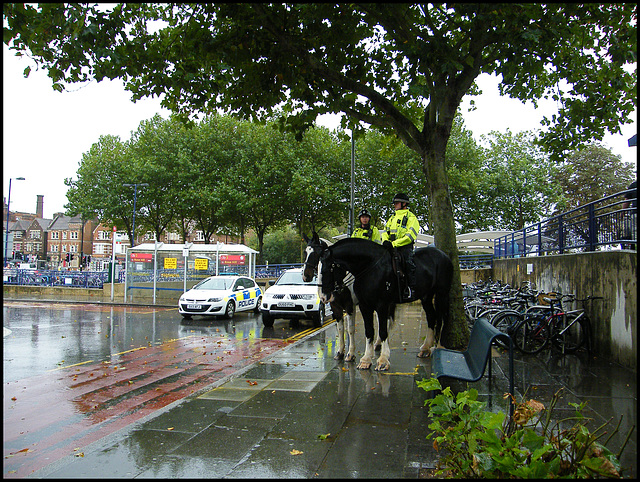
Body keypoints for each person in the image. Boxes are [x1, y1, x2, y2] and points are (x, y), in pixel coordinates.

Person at [381, 192, 420, 301]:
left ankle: (411, 288)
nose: (394, 205)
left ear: (404, 204)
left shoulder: (411, 218)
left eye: (397, 203)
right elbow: (385, 231)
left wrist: (393, 244)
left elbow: (409, 237)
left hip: (404, 247)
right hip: (390, 246)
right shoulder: (392, 217)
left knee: (408, 263)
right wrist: (385, 241)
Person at [622, 180, 637, 250]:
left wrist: (622, 213)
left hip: (635, 212)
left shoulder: (633, 185)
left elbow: (627, 201)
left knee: (635, 232)